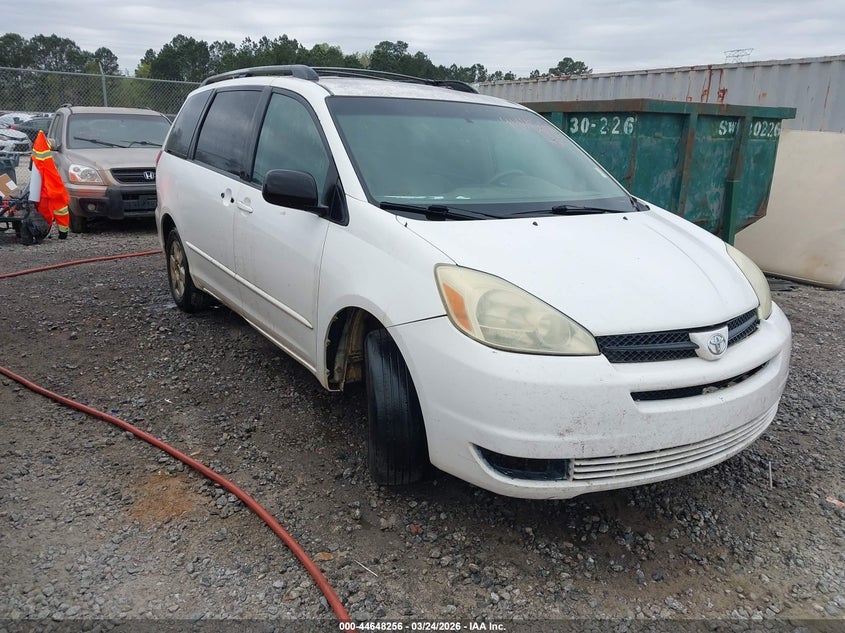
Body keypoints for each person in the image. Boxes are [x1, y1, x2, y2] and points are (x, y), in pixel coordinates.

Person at [29, 130, 70, 239]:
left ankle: (44, 231)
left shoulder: (39, 156)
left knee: (46, 210)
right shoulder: (46, 159)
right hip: (52, 189)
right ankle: (61, 233)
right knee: (59, 210)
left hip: (47, 190)